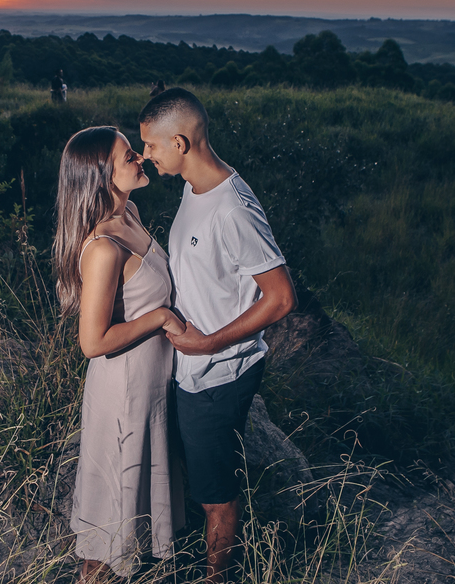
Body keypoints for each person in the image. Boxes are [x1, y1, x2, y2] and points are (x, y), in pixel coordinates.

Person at [138, 88, 296, 584]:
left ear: (180, 142)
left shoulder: (233, 209)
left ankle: (216, 579)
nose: (145, 156)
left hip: (218, 374)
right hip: (192, 368)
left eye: (151, 146)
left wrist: (208, 344)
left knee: (216, 494)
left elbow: (281, 298)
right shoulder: (193, 186)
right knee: (200, 479)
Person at [53, 126, 187, 580]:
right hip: (123, 394)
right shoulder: (103, 249)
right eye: (129, 155)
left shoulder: (130, 212)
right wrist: (161, 318)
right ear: (100, 175)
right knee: (111, 528)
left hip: (149, 388)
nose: (141, 158)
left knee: (135, 516)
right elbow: (91, 342)